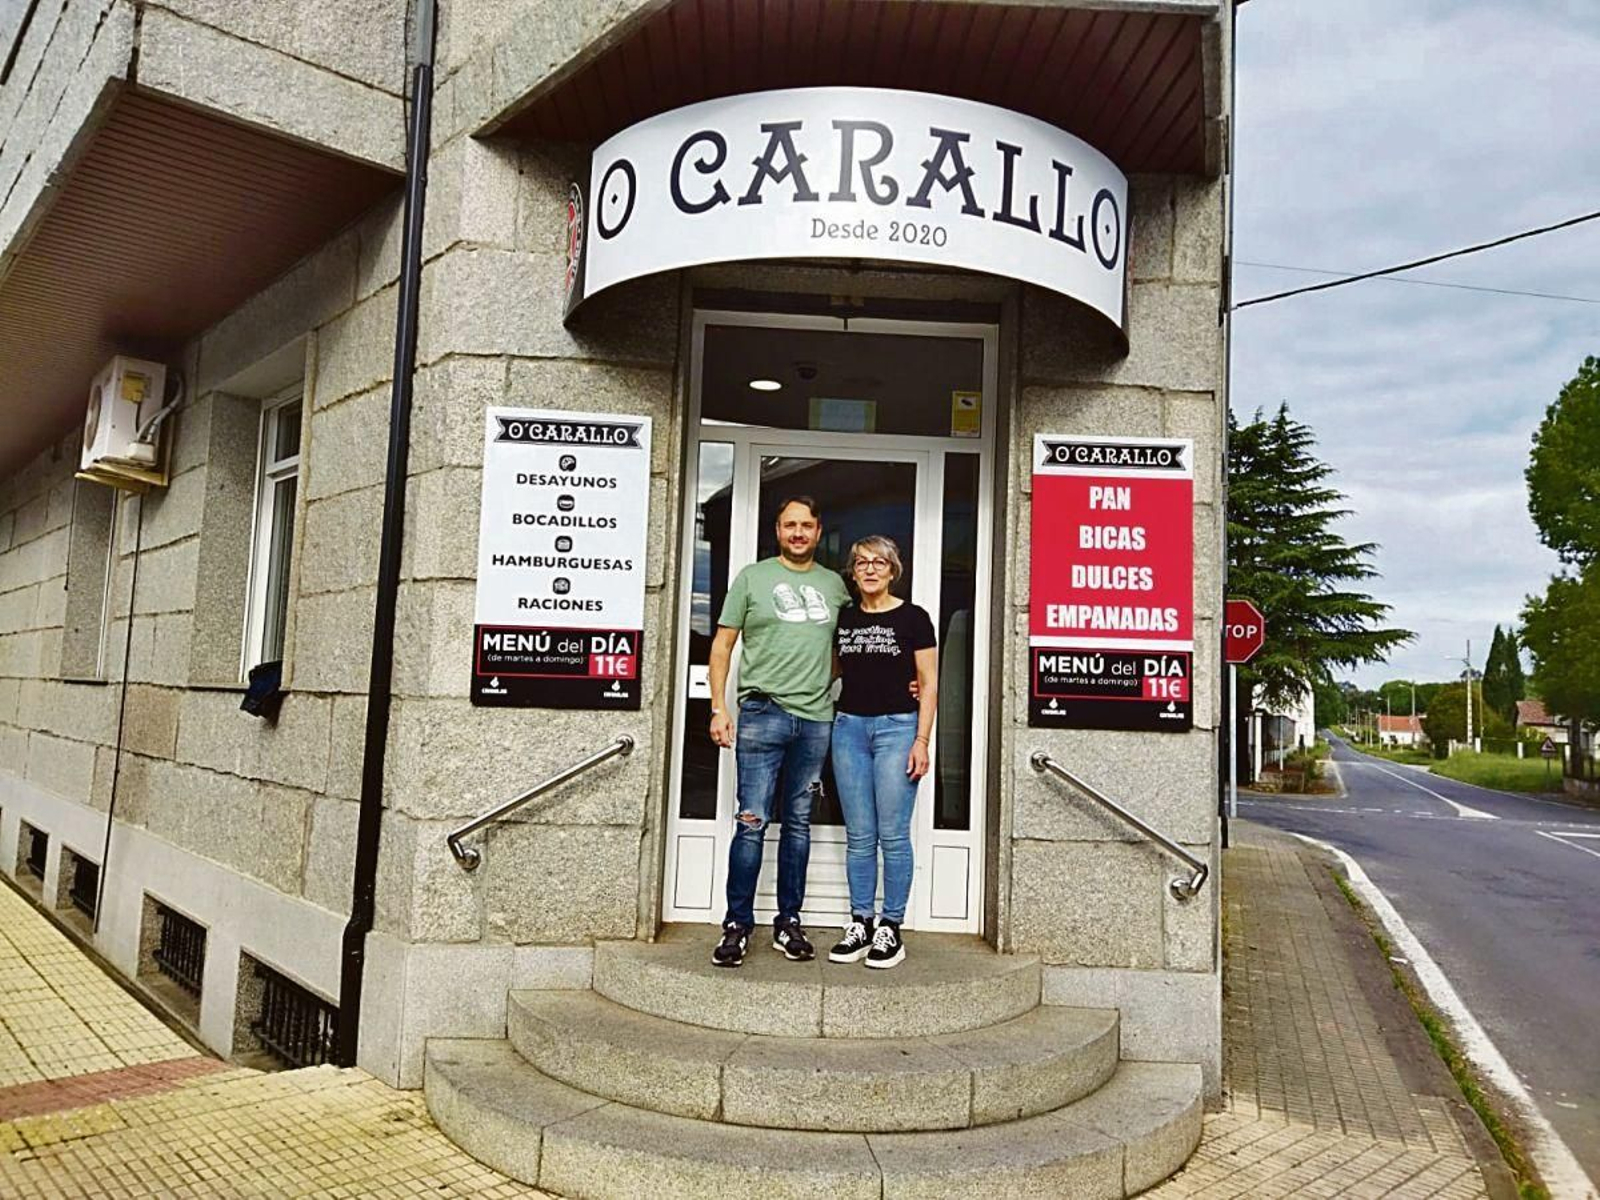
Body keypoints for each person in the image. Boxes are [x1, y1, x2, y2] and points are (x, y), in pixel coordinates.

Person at [707, 496, 851, 968]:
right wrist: (718, 708)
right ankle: (737, 925)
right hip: (761, 713)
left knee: (798, 827)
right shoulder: (752, 577)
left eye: (806, 525)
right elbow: (723, 646)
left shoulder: (835, 586)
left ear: (817, 529)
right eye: (790, 525)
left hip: (815, 721)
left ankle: (789, 922)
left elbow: (849, 647)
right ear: (778, 530)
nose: (798, 533)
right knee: (751, 822)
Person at [827, 535, 938, 969]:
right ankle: (861, 922)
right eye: (861, 563)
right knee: (859, 837)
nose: (870, 569)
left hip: (897, 729)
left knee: (892, 835)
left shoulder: (914, 618)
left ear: (893, 570)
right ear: (852, 573)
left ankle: (891, 926)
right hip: (849, 729)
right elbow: (831, 668)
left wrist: (922, 740)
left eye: (879, 562)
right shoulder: (845, 618)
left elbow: (927, 683)